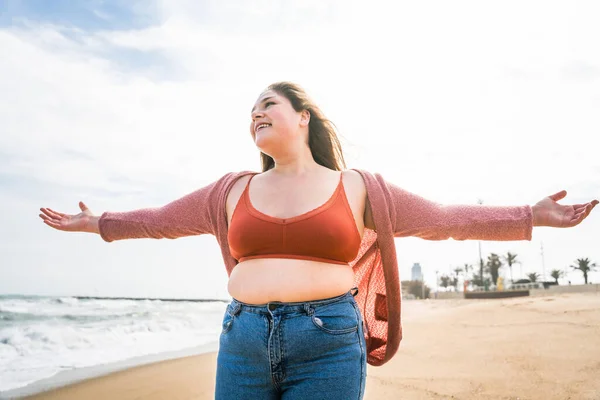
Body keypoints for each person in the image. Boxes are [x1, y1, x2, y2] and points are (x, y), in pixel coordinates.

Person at [39, 82, 598, 400]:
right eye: (251, 112)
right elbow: (163, 218)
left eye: (268, 105)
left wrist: (531, 215)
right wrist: (102, 222)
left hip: (328, 339)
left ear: (302, 117)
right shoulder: (230, 191)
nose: (256, 113)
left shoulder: (358, 187)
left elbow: (443, 216)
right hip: (243, 340)